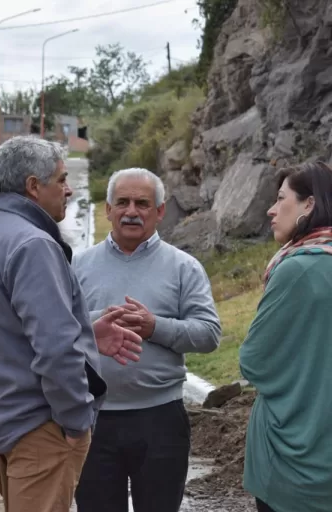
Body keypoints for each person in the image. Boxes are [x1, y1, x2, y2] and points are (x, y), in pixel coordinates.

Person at [0, 135, 144, 512]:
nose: (69, 190)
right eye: (61, 179)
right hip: (40, 426)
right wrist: (75, 423)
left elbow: (4, 329)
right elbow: (55, 350)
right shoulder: (32, 244)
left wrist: (86, 330)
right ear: (33, 187)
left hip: (2, 419)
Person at [72, 167, 222, 512]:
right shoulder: (77, 266)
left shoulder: (184, 267)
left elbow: (209, 334)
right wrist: (97, 324)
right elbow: (58, 332)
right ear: (107, 210)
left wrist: (154, 326)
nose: (131, 211)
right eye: (122, 202)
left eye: (142, 203)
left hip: (161, 421)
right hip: (93, 420)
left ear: (159, 211)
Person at [239, 161, 332, 512]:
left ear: (309, 204)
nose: (271, 210)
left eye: (280, 198)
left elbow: (252, 361)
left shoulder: (298, 269)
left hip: (298, 455)